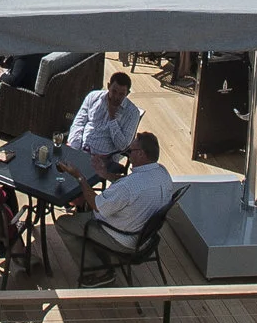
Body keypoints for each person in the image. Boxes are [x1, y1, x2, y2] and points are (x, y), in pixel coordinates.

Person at [52, 132, 176, 266]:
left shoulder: (128, 187)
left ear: (141, 154)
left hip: (123, 239)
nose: (127, 154)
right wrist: (105, 174)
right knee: (85, 210)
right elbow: (129, 182)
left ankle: (98, 271)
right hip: (144, 235)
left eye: (130, 151)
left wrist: (79, 176)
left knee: (63, 223)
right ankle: (97, 253)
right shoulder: (162, 173)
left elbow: (97, 205)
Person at [68, 72, 143, 174]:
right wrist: (75, 147)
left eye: (121, 94)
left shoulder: (132, 113)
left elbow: (123, 146)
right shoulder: (93, 97)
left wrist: (112, 119)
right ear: (108, 86)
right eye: (114, 91)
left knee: (76, 176)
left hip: (105, 159)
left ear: (127, 93)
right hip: (80, 148)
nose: (116, 97)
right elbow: (79, 123)